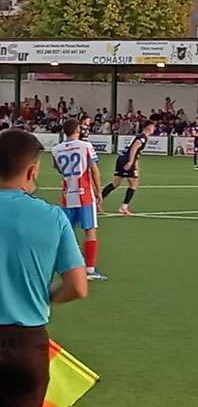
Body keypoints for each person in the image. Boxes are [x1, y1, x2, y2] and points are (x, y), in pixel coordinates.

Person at [0, 129, 88, 406]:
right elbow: (77, 287)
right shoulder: (53, 218)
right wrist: (47, 297)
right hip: (26, 345)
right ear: (32, 171)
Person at [51, 119, 106, 281]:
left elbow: (58, 168)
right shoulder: (86, 146)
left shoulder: (56, 149)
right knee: (90, 231)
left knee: (68, 233)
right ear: (77, 129)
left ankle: (67, 268)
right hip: (85, 195)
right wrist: (99, 191)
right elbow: (94, 170)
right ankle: (89, 270)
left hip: (68, 195)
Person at [102, 120, 155, 216]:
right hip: (127, 160)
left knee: (115, 183)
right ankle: (124, 207)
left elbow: (136, 153)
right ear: (148, 127)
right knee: (134, 184)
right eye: (153, 127)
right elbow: (134, 148)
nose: (153, 129)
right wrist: (131, 162)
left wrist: (135, 166)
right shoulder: (142, 138)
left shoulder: (140, 136)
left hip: (121, 159)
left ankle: (96, 202)